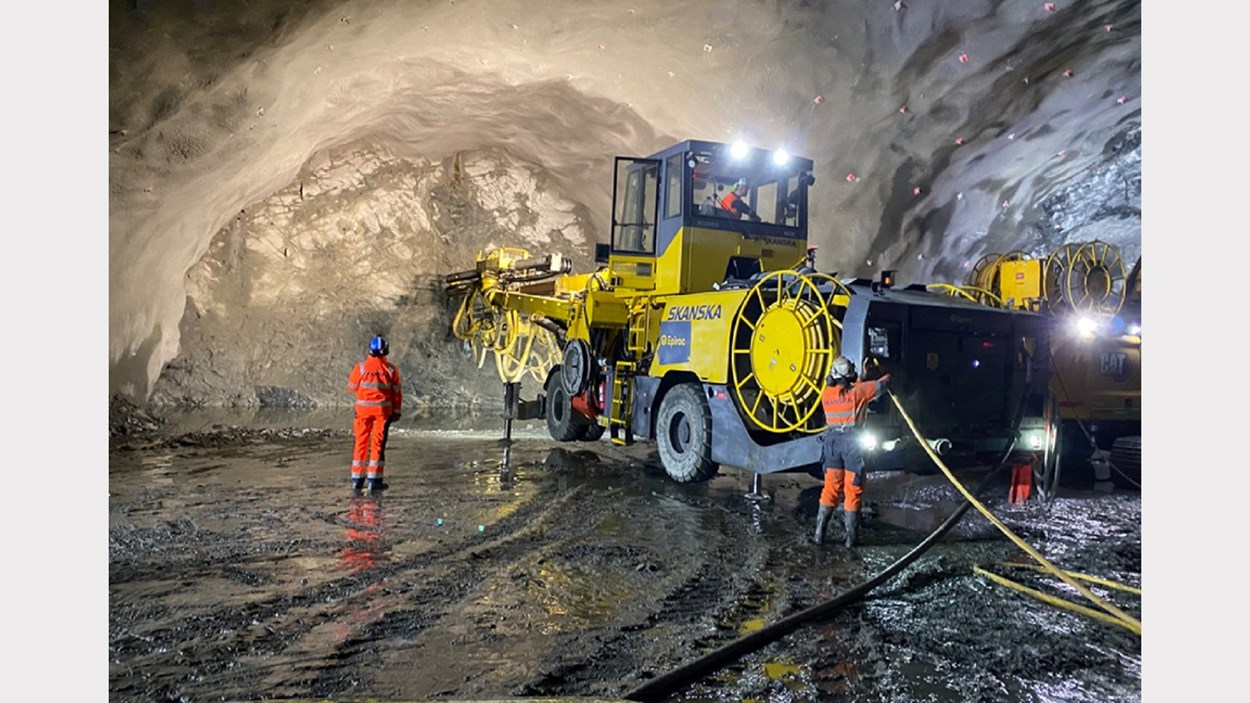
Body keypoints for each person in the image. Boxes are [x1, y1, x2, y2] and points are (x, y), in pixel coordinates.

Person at [813, 356, 890, 547]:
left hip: (831, 443)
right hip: (852, 444)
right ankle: (851, 540)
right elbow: (884, 384)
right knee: (852, 490)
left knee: (830, 489)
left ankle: (818, 536)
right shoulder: (859, 392)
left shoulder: (827, 394)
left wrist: (863, 376)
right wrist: (882, 371)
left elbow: (851, 389)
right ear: (850, 375)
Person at [346, 335, 403, 494]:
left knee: (360, 443)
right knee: (377, 445)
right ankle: (374, 481)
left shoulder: (361, 367)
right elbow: (397, 394)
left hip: (362, 412)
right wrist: (397, 412)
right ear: (385, 351)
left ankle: (357, 481)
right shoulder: (391, 370)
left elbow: (351, 387)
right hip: (382, 413)